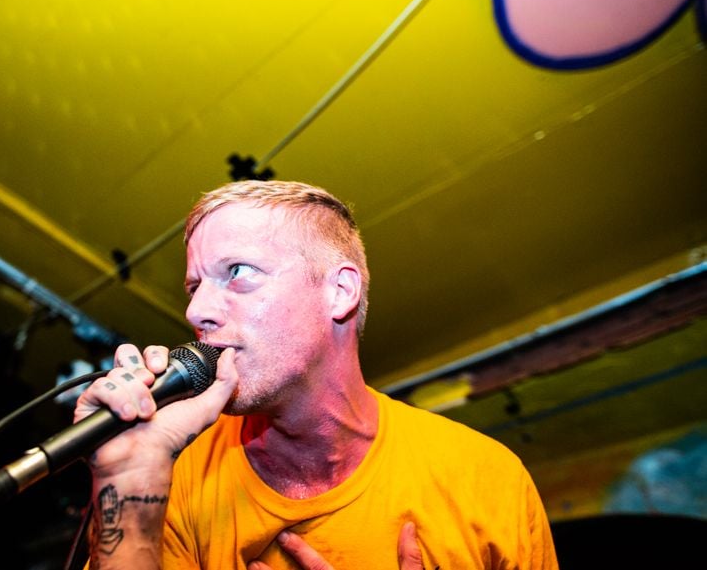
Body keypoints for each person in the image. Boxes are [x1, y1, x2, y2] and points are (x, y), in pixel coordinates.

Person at [74, 180, 558, 569]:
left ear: (340, 292)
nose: (196, 310)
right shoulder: (172, 478)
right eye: (194, 286)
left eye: (237, 272)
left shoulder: (486, 478)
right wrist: (130, 476)